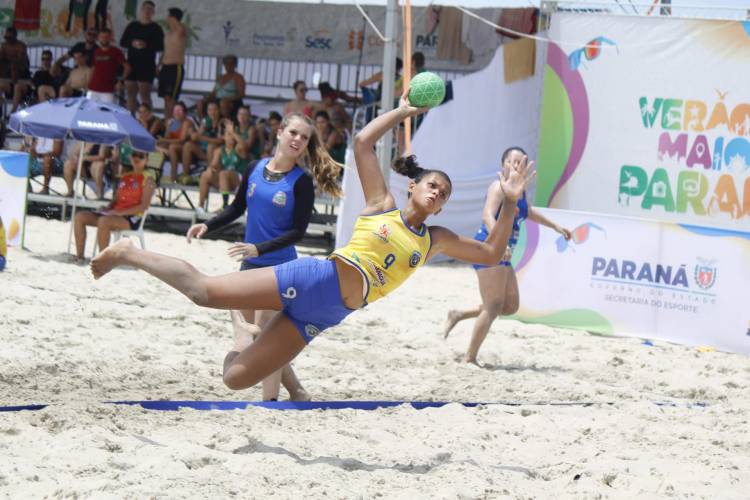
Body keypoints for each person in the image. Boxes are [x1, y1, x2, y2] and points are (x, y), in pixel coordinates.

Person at [90, 95, 534, 393]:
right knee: (203, 292)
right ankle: (129, 252)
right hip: (313, 278)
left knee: (235, 379)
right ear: (415, 186)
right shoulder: (383, 204)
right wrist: (402, 112)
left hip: (327, 313)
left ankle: (245, 335)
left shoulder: (434, 239)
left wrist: (511, 202)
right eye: (432, 185)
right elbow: (361, 142)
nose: (437, 193)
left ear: (439, 209)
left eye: (444, 194)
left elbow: (492, 254)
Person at [187, 111, 340, 400]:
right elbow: (237, 207)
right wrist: (207, 225)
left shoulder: (301, 181)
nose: (298, 140)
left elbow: (298, 232)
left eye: (304, 138)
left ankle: (269, 403)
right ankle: (296, 391)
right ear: (280, 132)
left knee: (264, 337)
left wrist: (259, 248)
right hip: (249, 266)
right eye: (294, 133)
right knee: (254, 341)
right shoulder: (255, 167)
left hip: (280, 270)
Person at [443, 146, 572, 365]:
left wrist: (556, 227)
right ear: (503, 164)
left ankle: (459, 314)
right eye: (511, 162)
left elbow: (528, 211)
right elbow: (487, 215)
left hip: (503, 251)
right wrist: (499, 242)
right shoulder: (498, 186)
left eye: (520, 162)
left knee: (509, 306)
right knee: (493, 306)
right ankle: (470, 358)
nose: (515, 166)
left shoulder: (518, 189)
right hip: (488, 248)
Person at [74, 151, 155, 262]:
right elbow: (116, 200)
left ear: (147, 161)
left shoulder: (148, 180)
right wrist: (107, 208)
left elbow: (143, 207)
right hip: (114, 213)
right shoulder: (125, 176)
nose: (137, 158)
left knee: (104, 221)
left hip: (132, 217)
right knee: (80, 216)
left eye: (141, 156)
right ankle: (80, 257)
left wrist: (119, 213)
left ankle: (103, 260)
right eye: (134, 155)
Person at [120, 0, 164, 112]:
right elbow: (123, 42)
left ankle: (148, 120)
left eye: (150, 9)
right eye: (145, 8)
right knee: (130, 93)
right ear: (141, 10)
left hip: (147, 65)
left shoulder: (156, 28)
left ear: (153, 12)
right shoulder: (132, 25)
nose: (147, 11)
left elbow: (161, 46)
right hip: (132, 63)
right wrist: (133, 43)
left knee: (145, 94)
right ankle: (131, 119)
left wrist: (146, 45)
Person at [196, 121, 249, 211]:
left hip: (239, 181)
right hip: (225, 181)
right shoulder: (220, 150)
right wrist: (211, 169)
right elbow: (214, 164)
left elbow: (244, 145)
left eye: (232, 135)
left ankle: (225, 205)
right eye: (229, 134)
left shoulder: (238, 148)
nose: (231, 137)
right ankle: (200, 207)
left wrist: (233, 132)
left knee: (223, 173)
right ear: (224, 137)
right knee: (205, 175)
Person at [181, 101, 223, 183]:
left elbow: (220, 140)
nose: (212, 112)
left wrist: (203, 138)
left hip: (217, 153)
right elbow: (197, 137)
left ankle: (211, 176)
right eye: (210, 110)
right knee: (188, 145)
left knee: (211, 145)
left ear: (219, 110)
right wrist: (193, 133)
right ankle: (186, 176)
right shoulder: (205, 120)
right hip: (204, 151)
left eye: (215, 110)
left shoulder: (222, 122)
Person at [157, 7, 186, 120]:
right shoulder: (168, 34)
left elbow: (179, 26)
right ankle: (166, 121)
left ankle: (172, 122)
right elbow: (166, 50)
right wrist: (159, 64)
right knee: (166, 97)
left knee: (171, 98)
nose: (166, 18)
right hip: (165, 67)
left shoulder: (181, 30)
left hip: (176, 68)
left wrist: (174, 18)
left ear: (173, 18)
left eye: (168, 16)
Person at [197, 54, 246, 121]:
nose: (228, 65)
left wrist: (228, 98)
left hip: (232, 102)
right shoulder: (220, 77)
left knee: (223, 102)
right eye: (226, 63)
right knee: (200, 102)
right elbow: (214, 92)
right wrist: (207, 98)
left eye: (231, 63)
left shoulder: (238, 77)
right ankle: (204, 123)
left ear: (235, 65)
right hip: (217, 100)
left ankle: (225, 124)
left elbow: (241, 94)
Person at [87, 28, 129, 103]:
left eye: (106, 37)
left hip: (108, 89)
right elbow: (93, 68)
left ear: (110, 38)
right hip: (93, 88)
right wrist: (88, 82)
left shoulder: (116, 52)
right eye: (102, 37)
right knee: (89, 110)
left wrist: (121, 81)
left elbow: (127, 67)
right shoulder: (96, 51)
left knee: (107, 111)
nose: (104, 39)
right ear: (98, 38)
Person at [156, 101, 195, 182]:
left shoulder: (187, 122)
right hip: (176, 149)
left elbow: (182, 140)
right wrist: (168, 127)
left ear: (185, 113)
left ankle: (173, 175)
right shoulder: (173, 122)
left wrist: (163, 140)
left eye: (179, 110)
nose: (177, 113)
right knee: (160, 145)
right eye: (175, 110)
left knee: (171, 147)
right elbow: (167, 138)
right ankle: (155, 173)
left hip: (187, 150)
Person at [0, 27, 31, 113]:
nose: (7, 40)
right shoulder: (4, 45)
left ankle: (12, 113)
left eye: (9, 38)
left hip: (21, 79)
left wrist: (9, 61)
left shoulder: (21, 46)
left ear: (15, 36)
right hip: (9, 80)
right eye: (6, 38)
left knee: (14, 67)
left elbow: (20, 61)